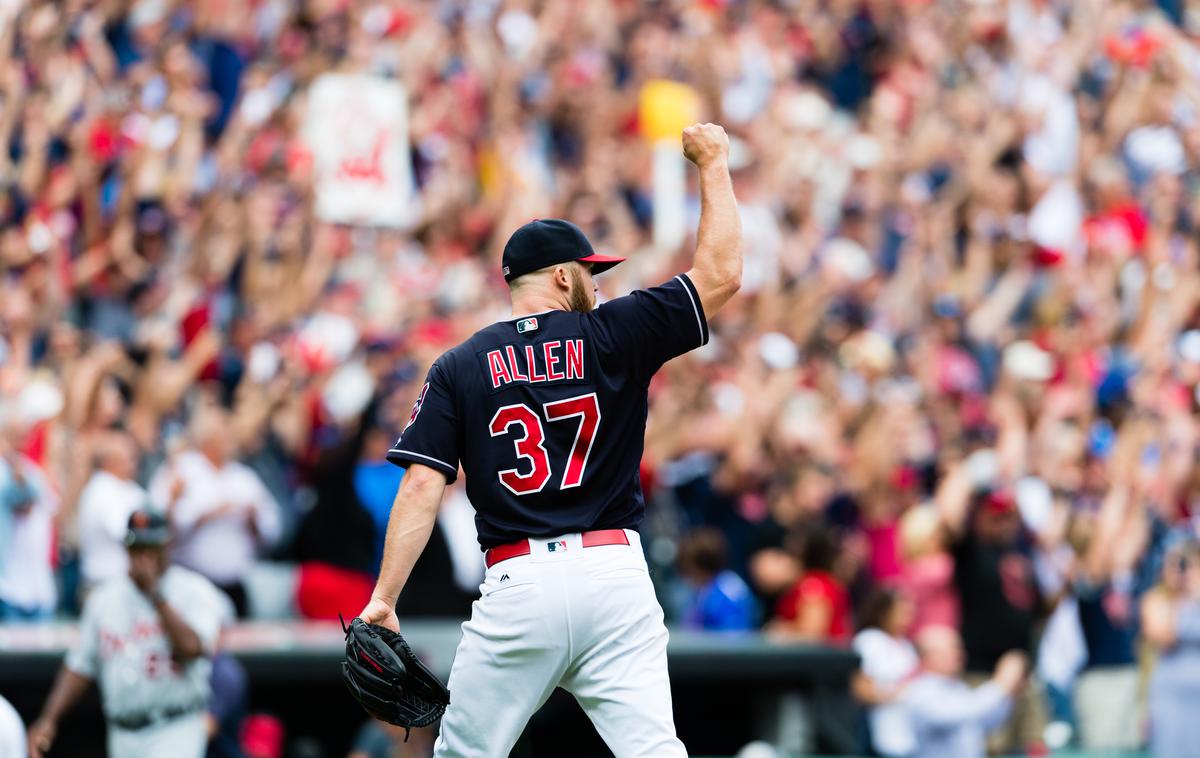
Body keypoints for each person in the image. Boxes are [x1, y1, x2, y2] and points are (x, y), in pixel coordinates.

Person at [358, 122, 741, 758]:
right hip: (612, 573)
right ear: (563, 278)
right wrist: (714, 162)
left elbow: (423, 481)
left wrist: (383, 599)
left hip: (519, 586)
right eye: (591, 271)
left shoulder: (461, 363)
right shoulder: (617, 331)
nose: (599, 282)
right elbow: (722, 274)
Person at [27, 510, 231, 758]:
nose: (143, 557)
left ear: (168, 545)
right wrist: (49, 719)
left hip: (175, 726)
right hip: (122, 731)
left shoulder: (193, 590)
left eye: (151, 547)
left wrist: (155, 595)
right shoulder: (104, 598)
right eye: (137, 547)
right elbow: (79, 667)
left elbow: (192, 648)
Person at [149, 405, 282, 617]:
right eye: (224, 432)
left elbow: (272, 528)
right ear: (207, 438)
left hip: (235, 585)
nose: (231, 439)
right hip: (191, 582)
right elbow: (156, 525)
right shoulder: (180, 472)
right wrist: (208, 514)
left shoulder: (243, 477)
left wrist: (253, 519)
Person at [901, 625, 1029, 758]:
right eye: (952, 648)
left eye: (959, 647)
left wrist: (1010, 693)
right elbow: (968, 711)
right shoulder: (920, 692)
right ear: (928, 656)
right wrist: (1003, 681)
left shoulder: (958, 687)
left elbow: (986, 722)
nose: (960, 653)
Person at [1141, 536, 1200, 758]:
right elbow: (1164, 634)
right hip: (1171, 698)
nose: (1181, 571)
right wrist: (1185, 598)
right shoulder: (1157, 599)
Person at [77, 430, 151, 592]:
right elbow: (125, 533)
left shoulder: (128, 487)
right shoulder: (101, 489)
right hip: (103, 583)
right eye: (128, 458)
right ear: (109, 461)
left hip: (124, 584)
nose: (134, 464)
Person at [851, 588, 919, 757]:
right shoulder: (869, 640)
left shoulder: (906, 645)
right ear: (884, 612)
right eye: (902, 612)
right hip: (878, 729)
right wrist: (898, 694)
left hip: (907, 730)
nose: (908, 618)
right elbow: (860, 689)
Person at [770, 524, 852, 642]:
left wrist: (779, 629)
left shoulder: (814, 585)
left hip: (822, 657)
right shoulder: (820, 581)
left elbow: (811, 633)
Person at [677, 526, 757, 631]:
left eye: (687, 568)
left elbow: (733, 640)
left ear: (700, 567)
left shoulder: (726, 595)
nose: (685, 575)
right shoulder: (704, 590)